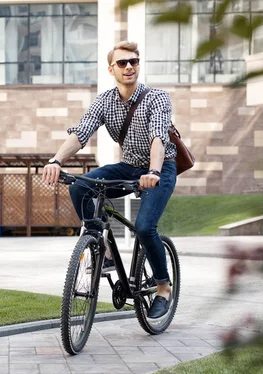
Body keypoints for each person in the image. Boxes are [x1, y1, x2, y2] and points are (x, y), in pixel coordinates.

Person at [41, 41, 177, 319]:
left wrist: (152, 172)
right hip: (127, 166)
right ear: (111, 69)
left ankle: (163, 287)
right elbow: (81, 132)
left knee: (144, 226)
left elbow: (158, 137)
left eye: (134, 62)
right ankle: (101, 246)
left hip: (159, 168)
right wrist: (56, 160)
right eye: (123, 63)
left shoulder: (157, 98)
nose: (129, 67)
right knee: (80, 186)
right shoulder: (105, 100)